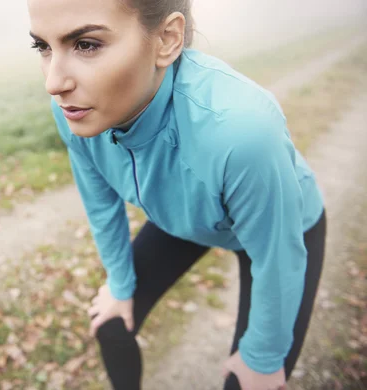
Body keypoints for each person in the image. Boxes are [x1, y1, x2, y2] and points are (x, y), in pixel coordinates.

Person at [26, 0, 327, 389]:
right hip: (188, 216)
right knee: (112, 323)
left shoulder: (242, 130)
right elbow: (102, 205)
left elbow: (278, 254)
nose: (54, 83)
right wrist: (120, 286)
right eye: (43, 47)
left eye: (86, 44)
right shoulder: (75, 111)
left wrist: (263, 357)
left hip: (281, 232)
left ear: (167, 39)